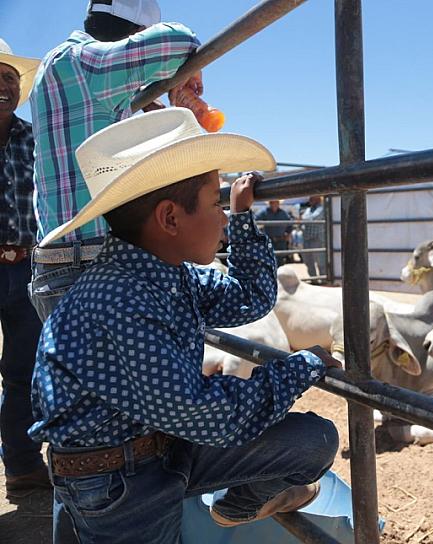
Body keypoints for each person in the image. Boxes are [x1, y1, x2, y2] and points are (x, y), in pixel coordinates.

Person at [29, 108, 340, 542]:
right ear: (170, 218)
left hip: (159, 448)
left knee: (313, 439)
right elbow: (210, 417)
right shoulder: (120, 299)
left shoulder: (171, 274)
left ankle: (236, 507)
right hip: (114, 482)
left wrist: (245, 221)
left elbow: (250, 299)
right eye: (216, 203)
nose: (223, 218)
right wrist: (303, 366)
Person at [28, 0, 201, 321]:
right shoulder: (86, 64)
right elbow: (180, 40)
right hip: (92, 264)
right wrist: (184, 71)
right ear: (136, 34)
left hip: (60, 264)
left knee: (78, 370)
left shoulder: (58, 67)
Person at [0, 38, 51, 498]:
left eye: (9, 78)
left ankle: (20, 465)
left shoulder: (33, 137)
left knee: (21, 370)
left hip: (24, 265)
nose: (3, 86)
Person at [255, 199, 293, 264]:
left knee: (280, 260)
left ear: (278, 203)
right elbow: (254, 220)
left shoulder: (283, 213)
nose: (274, 204)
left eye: (276, 202)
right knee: (269, 259)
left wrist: (288, 234)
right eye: (272, 202)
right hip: (269, 240)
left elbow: (290, 224)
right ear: (269, 203)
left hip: (281, 240)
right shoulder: (264, 212)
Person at [301, 195, 327, 282]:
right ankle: (314, 280)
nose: (310, 199)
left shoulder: (322, 208)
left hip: (317, 239)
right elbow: (305, 218)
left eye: (312, 197)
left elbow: (313, 218)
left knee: (321, 262)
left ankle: (323, 280)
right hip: (307, 238)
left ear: (318, 199)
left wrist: (303, 219)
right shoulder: (309, 209)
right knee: (308, 261)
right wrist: (303, 219)